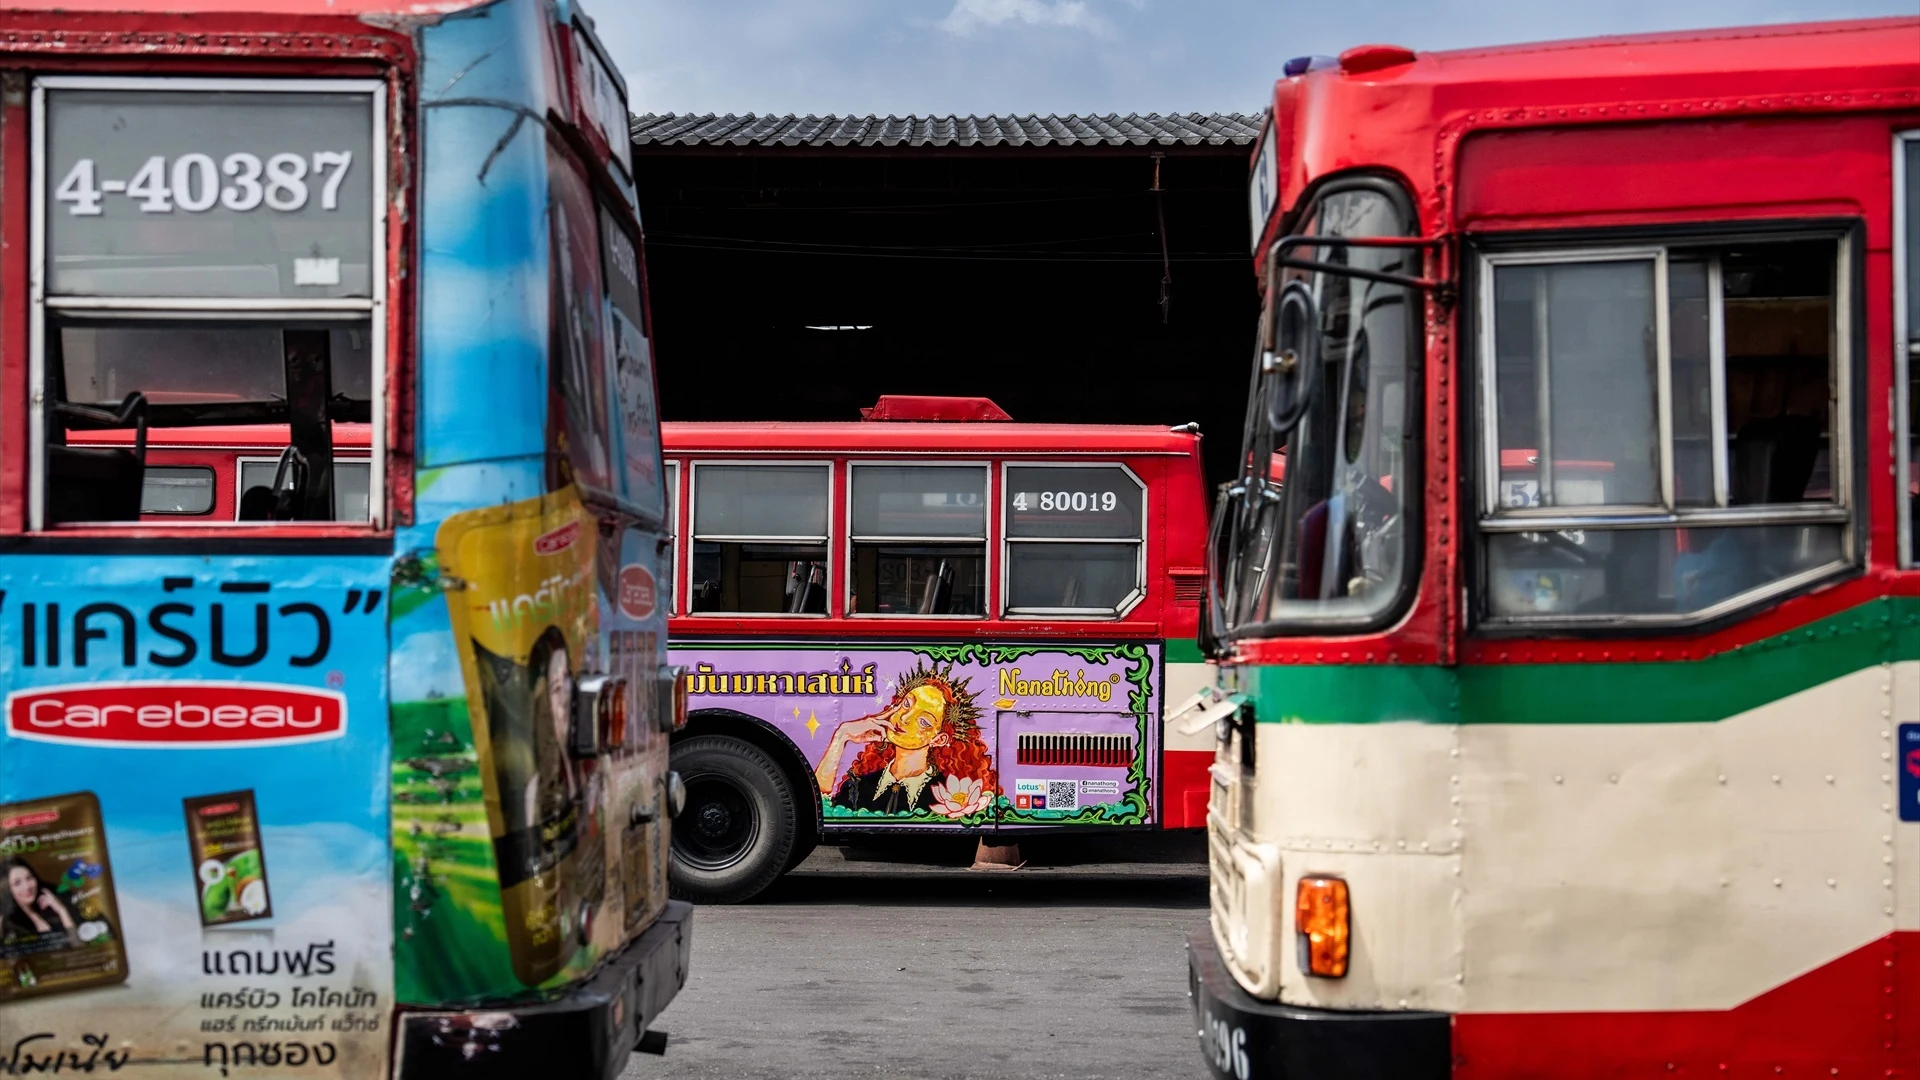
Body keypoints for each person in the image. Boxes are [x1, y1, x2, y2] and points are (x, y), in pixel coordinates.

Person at [813, 662, 996, 817]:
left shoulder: (950, 795)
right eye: (906, 704)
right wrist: (841, 737)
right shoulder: (859, 785)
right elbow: (819, 808)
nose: (905, 718)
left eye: (923, 721)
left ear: (939, 739)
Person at [3, 857, 78, 947]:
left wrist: (62, 910)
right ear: (7, 890)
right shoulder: (9, 923)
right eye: (17, 883)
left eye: (29, 878)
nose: (27, 887)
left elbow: (77, 944)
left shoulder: (53, 900)